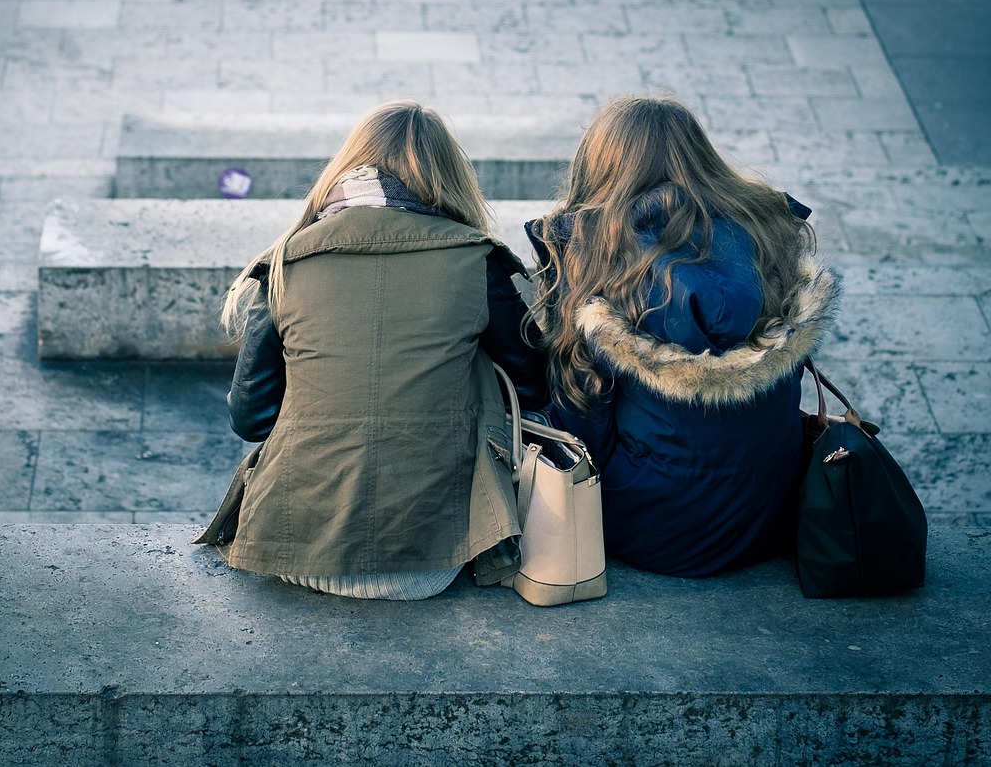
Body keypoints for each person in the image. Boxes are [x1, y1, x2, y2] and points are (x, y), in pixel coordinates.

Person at [198, 101, 547, 600]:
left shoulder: (285, 264)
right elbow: (533, 387)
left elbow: (250, 420)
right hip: (433, 557)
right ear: (448, 176)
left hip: (297, 549)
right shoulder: (479, 261)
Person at [525, 96, 841, 578]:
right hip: (770, 514)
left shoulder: (596, 257)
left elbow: (580, 421)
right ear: (701, 156)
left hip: (651, 528)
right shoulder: (771, 234)